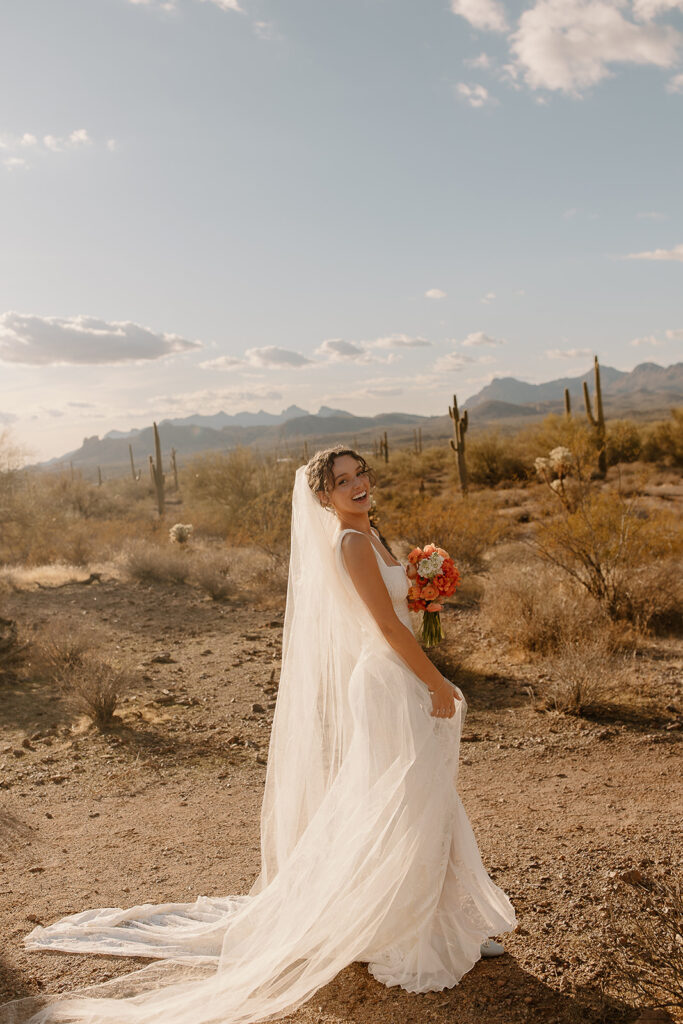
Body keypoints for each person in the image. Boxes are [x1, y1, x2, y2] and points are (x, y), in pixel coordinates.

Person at [0, 446, 515, 1024]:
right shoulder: (349, 543)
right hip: (389, 682)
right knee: (404, 802)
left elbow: (399, 610)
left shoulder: (372, 536)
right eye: (341, 481)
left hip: (394, 675)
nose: (355, 485)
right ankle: (407, 936)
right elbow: (387, 625)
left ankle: (442, 923)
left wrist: (426, 596)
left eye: (359, 473)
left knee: (419, 800)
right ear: (323, 497)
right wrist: (437, 680)